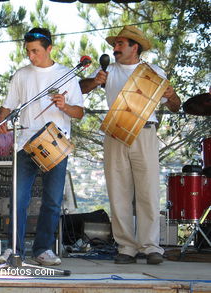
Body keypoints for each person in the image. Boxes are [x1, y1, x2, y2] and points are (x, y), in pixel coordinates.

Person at [80, 25, 181, 265]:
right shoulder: (107, 70)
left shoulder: (153, 72)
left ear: (135, 47)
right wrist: (95, 81)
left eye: (120, 44)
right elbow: (79, 90)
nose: (115, 49)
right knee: (118, 192)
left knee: (148, 191)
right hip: (115, 134)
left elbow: (175, 106)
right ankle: (126, 247)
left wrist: (172, 93)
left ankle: (151, 247)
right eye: (114, 45)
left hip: (145, 132)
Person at [0, 27, 84, 266]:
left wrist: (65, 107)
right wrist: (0, 122)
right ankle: (14, 250)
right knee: (19, 199)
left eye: (35, 51)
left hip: (56, 143)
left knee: (53, 201)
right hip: (25, 144)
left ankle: (43, 249)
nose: (31, 56)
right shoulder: (21, 74)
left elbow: (80, 113)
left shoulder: (67, 75)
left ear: (49, 49)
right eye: (28, 51)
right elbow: (8, 105)